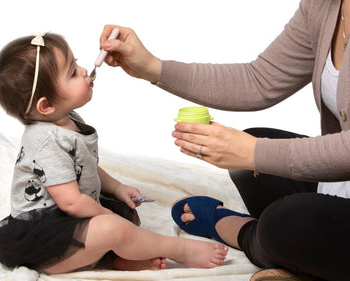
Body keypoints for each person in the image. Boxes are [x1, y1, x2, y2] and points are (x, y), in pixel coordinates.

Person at [96, 0, 350, 280]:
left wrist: (254, 152)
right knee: (252, 158)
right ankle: (301, 253)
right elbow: (261, 80)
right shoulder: (323, 6)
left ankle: (243, 233)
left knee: (287, 221)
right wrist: (152, 67)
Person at [0, 32, 229, 274]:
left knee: (122, 218)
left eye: (77, 62)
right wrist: (107, 214)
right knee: (114, 227)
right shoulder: (46, 140)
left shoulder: (67, 119)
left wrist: (116, 187)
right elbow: (71, 202)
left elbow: (84, 166)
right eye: (72, 72)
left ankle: (112, 259)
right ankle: (179, 249)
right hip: (45, 242)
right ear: (46, 105)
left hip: (73, 216)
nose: (83, 70)